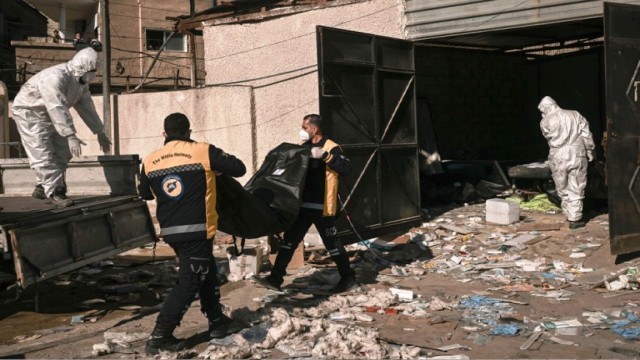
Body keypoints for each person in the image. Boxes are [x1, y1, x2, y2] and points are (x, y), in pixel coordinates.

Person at [138, 113, 246, 355]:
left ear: (164, 134)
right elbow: (239, 168)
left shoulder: (150, 160)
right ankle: (159, 337)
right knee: (189, 283)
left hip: (171, 233)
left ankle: (217, 323)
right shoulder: (203, 151)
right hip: (197, 231)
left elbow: (144, 193)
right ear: (188, 132)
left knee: (206, 273)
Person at [253, 114, 357, 293]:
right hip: (302, 205)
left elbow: (346, 169)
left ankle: (348, 277)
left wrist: (326, 156)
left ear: (314, 129)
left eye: (304, 127)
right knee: (289, 241)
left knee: (332, 244)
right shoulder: (304, 147)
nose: (302, 131)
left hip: (322, 206)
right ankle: (275, 278)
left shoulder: (331, 147)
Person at [11, 47, 111, 208]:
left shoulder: (80, 83)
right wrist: (70, 135)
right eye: (93, 70)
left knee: (63, 150)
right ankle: (55, 191)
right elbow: (56, 106)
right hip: (29, 113)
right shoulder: (56, 77)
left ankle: (42, 186)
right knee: (42, 152)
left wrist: (99, 131)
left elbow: (87, 107)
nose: (94, 74)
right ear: (83, 67)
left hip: (49, 114)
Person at [538, 96, 595, 229]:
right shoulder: (575, 114)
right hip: (576, 152)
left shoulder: (545, 121)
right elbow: (586, 134)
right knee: (576, 184)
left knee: (562, 185)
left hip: (557, 154)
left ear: (547, 108)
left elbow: (547, 136)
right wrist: (590, 150)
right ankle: (575, 217)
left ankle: (571, 214)